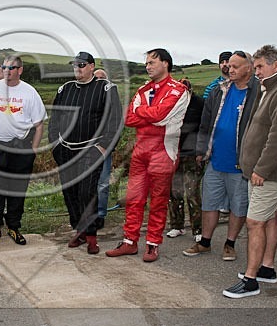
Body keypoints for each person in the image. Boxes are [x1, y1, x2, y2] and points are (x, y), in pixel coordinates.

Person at [223, 46, 277, 298]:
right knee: (268, 217)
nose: (256, 71)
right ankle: (266, 268)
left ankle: (250, 280)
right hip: (262, 171)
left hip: (271, 172)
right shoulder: (272, 88)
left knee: (255, 222)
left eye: (259, 67)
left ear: (276, 66)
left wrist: (262, 168)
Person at [105, 48, 190, 262]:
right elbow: (129, 118)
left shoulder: (179, 90)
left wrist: (143, 112)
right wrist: (148, 115)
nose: (148, 66)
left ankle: (153, 244)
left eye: (152, 62)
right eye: (146, 63)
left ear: (165, 64)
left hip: (163, 151)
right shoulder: (143, 89)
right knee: (134, 198)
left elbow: (161, 116)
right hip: (141, 151)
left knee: (158, 201)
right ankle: (129, 242)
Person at [182, 51, 262, 261]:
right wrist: (201, 150)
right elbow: (205, 122)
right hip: (216, 159)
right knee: (210, 202)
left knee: (238, 205)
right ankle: (205, 242)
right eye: (229, 65)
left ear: (249, 68)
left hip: (240, 163)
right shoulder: (219, 91)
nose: (230, 69)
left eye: (236, 66)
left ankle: (230, 243)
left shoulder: (258, 92)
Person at [49, 52, 122, 254]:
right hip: (66, 149)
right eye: (75, 65)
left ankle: (91, 236)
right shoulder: (65, 89)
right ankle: (79, 231)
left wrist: (102, 147)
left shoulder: (105, 89)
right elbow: (54, 119)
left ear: (91, 66)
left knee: (87, 192)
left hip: (92, 149)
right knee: (70, 192)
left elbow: (115, 121)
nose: (77, 68)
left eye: (81, 65)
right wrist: (55, 145)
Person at [0, 55, 46, 246]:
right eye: (5, 67)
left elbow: (39, 124)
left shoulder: (29, 92)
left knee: (17, 189)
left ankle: (14, 227)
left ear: (20, 70)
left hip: (20, 148)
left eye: (12, 68)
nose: (7, 71)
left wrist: (33, 150)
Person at [165, 78, 204, 241]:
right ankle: (177, 226)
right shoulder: (171, 102)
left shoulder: (200, 103)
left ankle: (198, 230)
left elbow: (205, 127)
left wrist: (201, 151)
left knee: (192, 191)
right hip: (174, 153)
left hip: (192, 153)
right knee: (174, 192)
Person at [94, 68, 116, 226]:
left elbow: (115, 125)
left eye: (103, 78)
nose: (100, 80)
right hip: (84, 148)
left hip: (103, 148)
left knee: (102, 182)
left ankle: (100, 215)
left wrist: (106, 145)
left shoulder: (111, 99)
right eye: (97, 78)